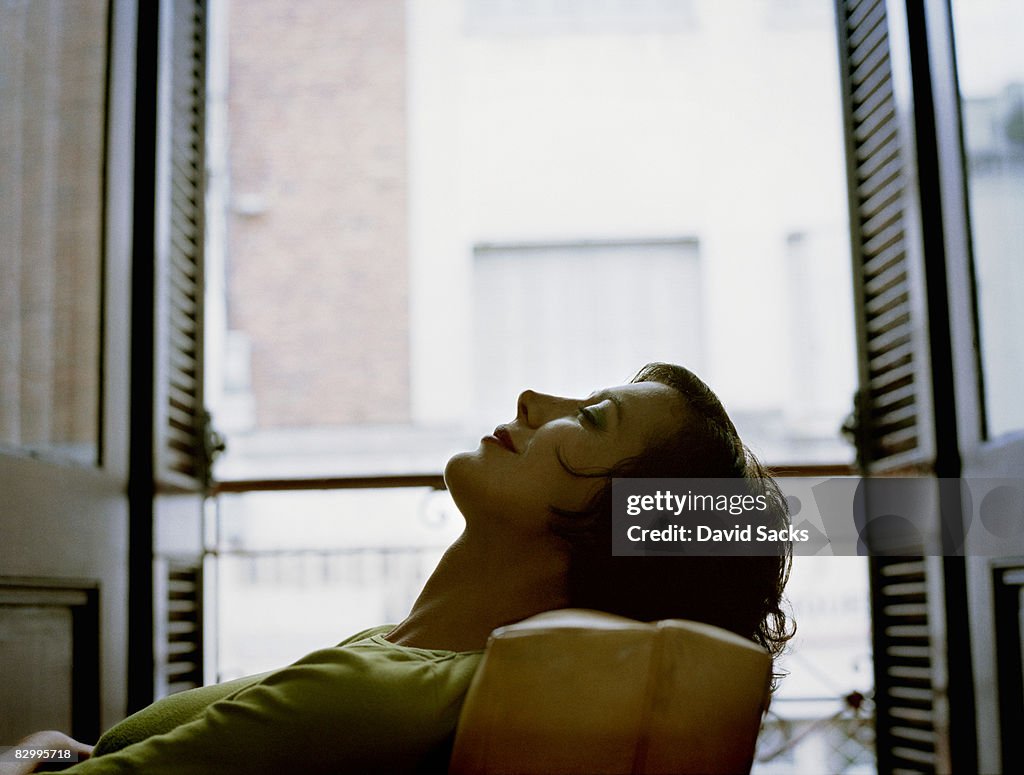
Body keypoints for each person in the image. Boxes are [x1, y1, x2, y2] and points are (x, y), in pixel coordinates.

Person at [2, 363, 793, 774]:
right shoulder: (409, 657)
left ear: (617, 530)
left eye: (588, 418)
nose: (530, 398)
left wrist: (33, 747)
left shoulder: (377, 698)